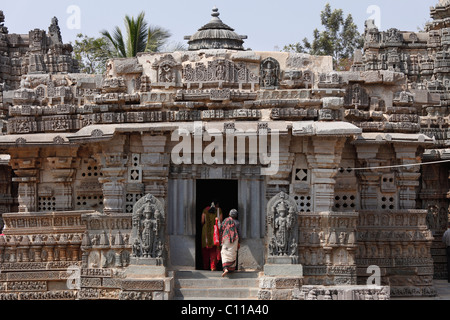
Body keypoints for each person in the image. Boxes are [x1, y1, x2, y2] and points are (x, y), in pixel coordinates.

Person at [201, 201, 223, 271]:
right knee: (213, 250)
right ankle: (213, 267)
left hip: (206, 232)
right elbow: (221, 222)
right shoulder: (218, 210)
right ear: (217, 204)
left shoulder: (205, 210)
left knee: (205, 250)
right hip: (215, 232)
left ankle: (205, 266)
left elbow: (202, 221)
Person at [220, 209, 241, 277]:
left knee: (224, 253)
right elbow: (239, 233)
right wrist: (239, 242)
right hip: (235, 239)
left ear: (229, 214)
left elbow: (221, 229)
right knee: (233, 253)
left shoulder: (225, 221)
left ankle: (225, 268)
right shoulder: (237, 223)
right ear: (236, 216)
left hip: (226, 238)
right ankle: (231, 269)